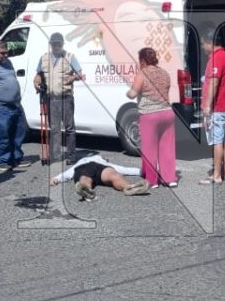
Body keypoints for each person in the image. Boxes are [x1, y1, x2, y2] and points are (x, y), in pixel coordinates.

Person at [126, 47, 178, 187]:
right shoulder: (164, 73)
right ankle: (170, 179)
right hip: (167, 113)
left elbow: (133, 94)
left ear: (142, 60)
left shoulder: (142, 74)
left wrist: (128, 92)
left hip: (150, 115)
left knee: (149, 149)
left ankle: (152, 180)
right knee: (167, 148)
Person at [33, 32, 85, 163]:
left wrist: (73, 77)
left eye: (59, 44)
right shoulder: (44, 58)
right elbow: (38, 75)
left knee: (69, 128)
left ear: (62, 44)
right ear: (50, 45)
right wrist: (36, 82)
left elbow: (81, 75)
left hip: (65, 98)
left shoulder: (69, 57)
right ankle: (55, 156)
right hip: (51, 98)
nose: (56, 46)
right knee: (54, 129)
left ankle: (71, 156)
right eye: (54, 44)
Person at [0, 39, 27, 170]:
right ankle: (2, 161)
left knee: (19, 131)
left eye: (7, 53)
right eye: (2, 53)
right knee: (3, 133)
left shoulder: (7, 62)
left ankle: (16, 158)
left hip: (15, 103)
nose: (5, 55)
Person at [200, 37, 225, 185]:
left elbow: (214, 82)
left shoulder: (217, 58)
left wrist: (208, 105)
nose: (202, 46)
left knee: (217, 141)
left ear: (210, 42)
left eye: (203, 43)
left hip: (218, 106)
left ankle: (216, 175)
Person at [49, 153, 150, 201]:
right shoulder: (84, 161)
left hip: (96, 168)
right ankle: (127, 187)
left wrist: (57, 178)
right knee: (112, 174)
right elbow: (125, 169)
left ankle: (129, 188)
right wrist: (57, 178)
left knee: (112, 174)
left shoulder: (104, 162)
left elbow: (67, 174)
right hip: (87, 167)